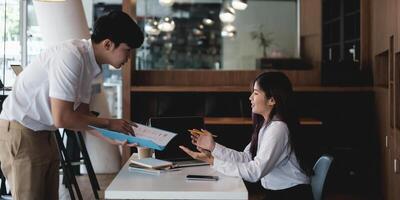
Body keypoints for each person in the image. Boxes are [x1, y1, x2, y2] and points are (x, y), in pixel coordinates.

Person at [0, 11, 143, 199]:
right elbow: (63, 118)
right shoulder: (71, 56)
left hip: (44, 132)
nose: (129, 58)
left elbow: (82, 117)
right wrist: (109, 123)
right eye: (127, 49)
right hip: (22, 131)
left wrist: (112, 138)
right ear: (108, 44)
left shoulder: (90, 64)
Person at [180, 71, 314, 200]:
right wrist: (213, 147)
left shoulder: (278, 129)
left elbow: (255, 171)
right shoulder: (267, 126)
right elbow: (246, 158)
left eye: (255, 93)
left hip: (292, 195)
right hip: (279, 194)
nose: (250, 98)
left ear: (272, 100)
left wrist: (213, 161)